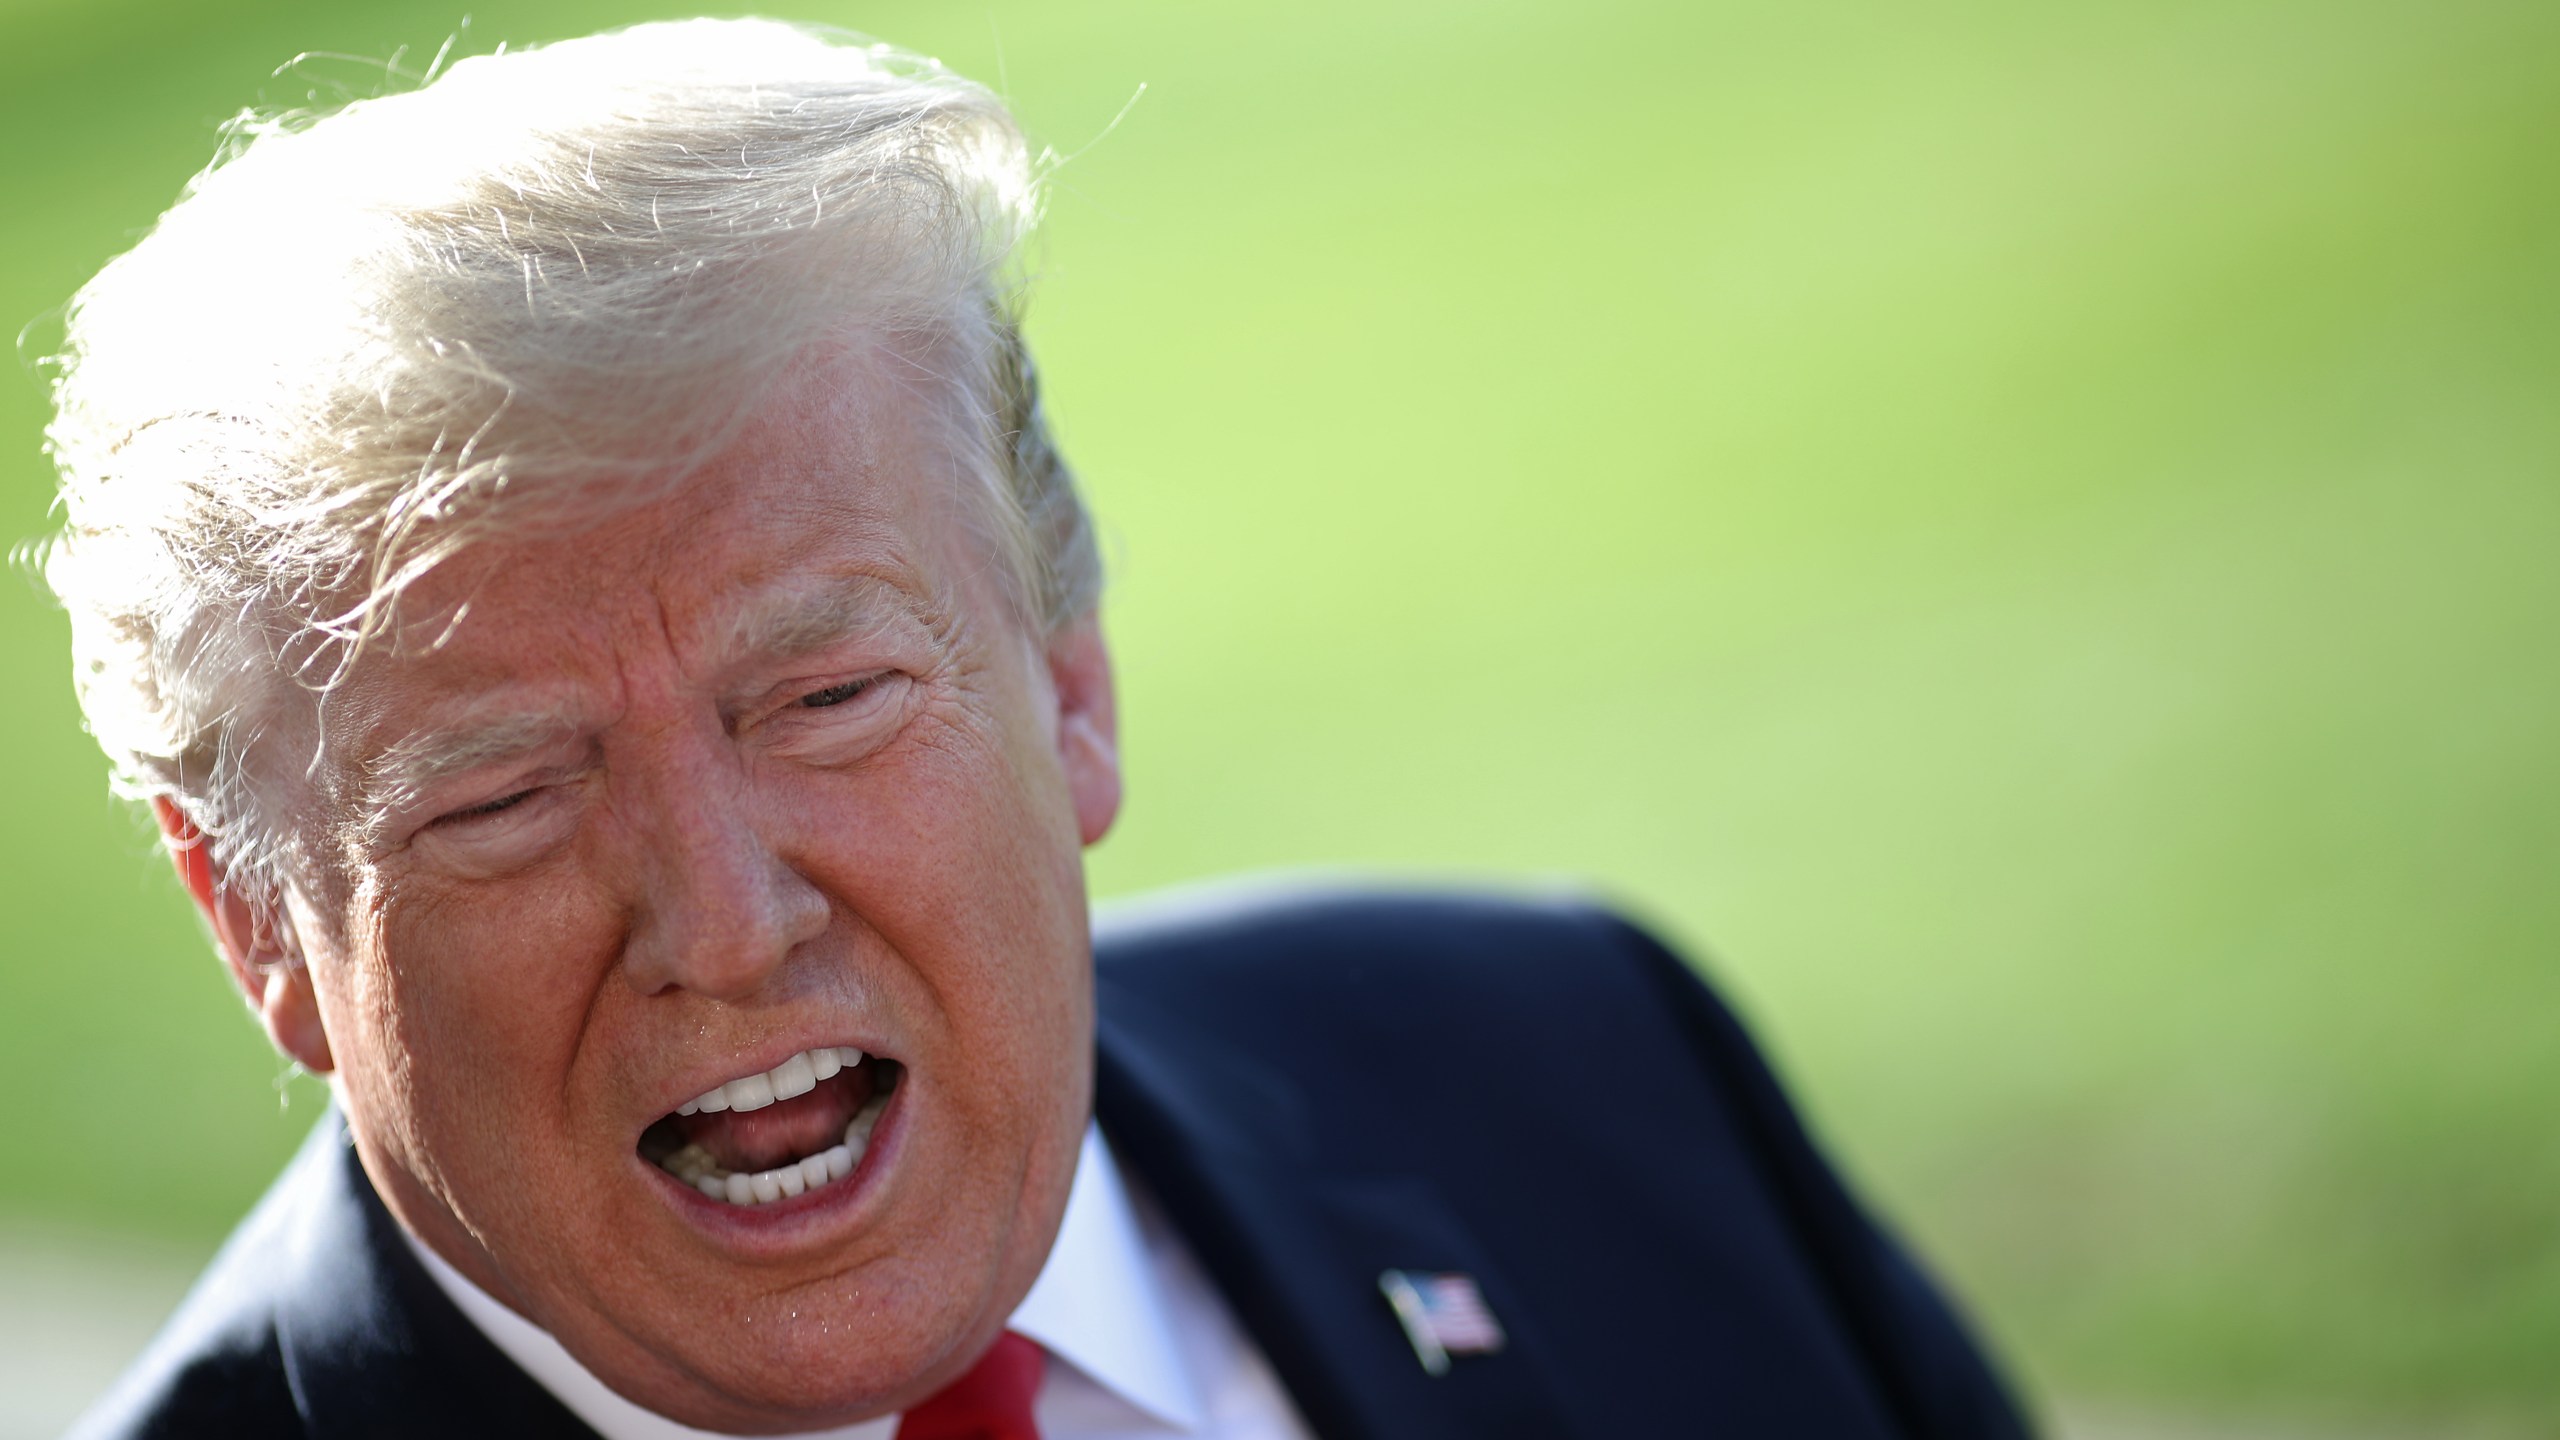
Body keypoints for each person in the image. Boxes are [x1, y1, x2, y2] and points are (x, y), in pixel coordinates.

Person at [43, 19, 2031, 1439]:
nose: (725, 923)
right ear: (260, 927)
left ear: (1067, 681)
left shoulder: (1583, 1067)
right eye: (502, 794)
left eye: (825, 699)